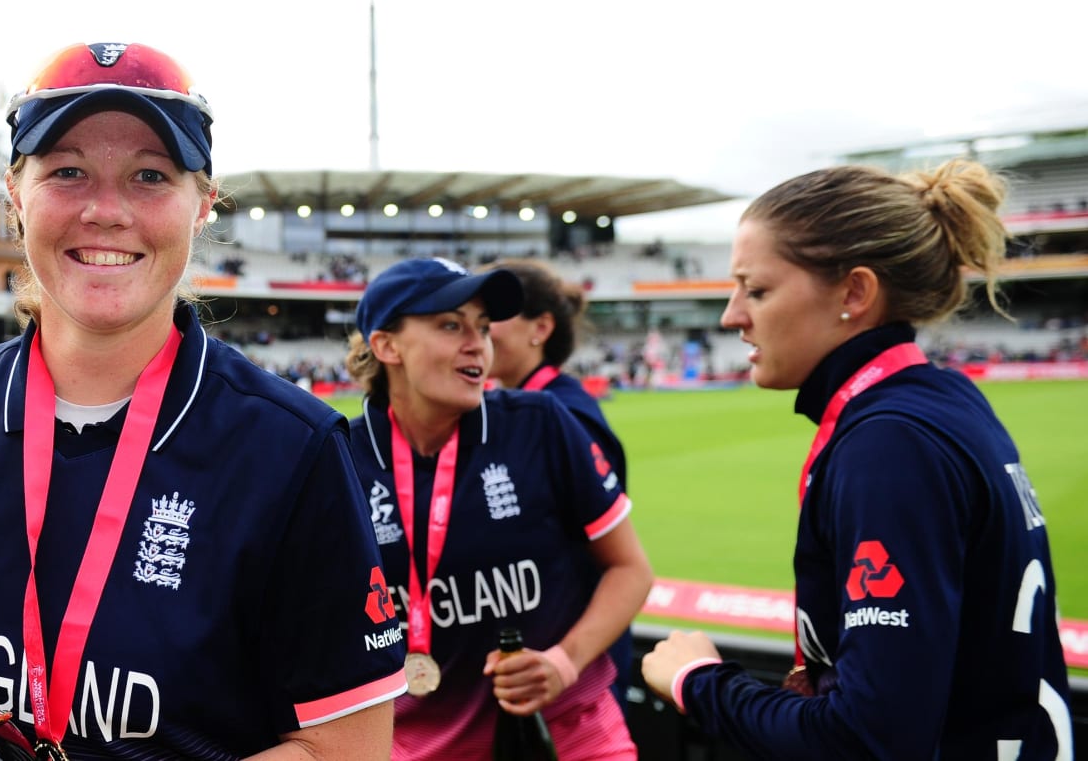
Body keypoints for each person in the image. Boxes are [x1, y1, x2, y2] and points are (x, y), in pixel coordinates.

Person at [0, 41, 405, 758]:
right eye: (67, 172)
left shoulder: (294, 449)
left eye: (150, 177)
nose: (105, 211)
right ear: (15, 195)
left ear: (204, 208)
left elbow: (343, 749)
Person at [642, 160, 1073, 758]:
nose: (731, 316)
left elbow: (866, 741)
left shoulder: (890, 443)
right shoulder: (943, 400)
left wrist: (699, 683)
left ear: (854, 292)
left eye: (757, 290)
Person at [345, 257, 652, 760]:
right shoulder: (342, 459)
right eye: (450, 324)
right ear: (386, 345)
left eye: (483, 328)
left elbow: (630, 568)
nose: (477, 344)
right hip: (416, 747)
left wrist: (563, 663)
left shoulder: (542, 423)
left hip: (572, 735)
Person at [483, 258, 636, 708]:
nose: (477, 331)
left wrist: (565, 662)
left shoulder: (564, 416)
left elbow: (613, 561)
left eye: (491, 316)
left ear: (541, 328)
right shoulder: (509, 408)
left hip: (569, 677)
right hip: (521, 667)